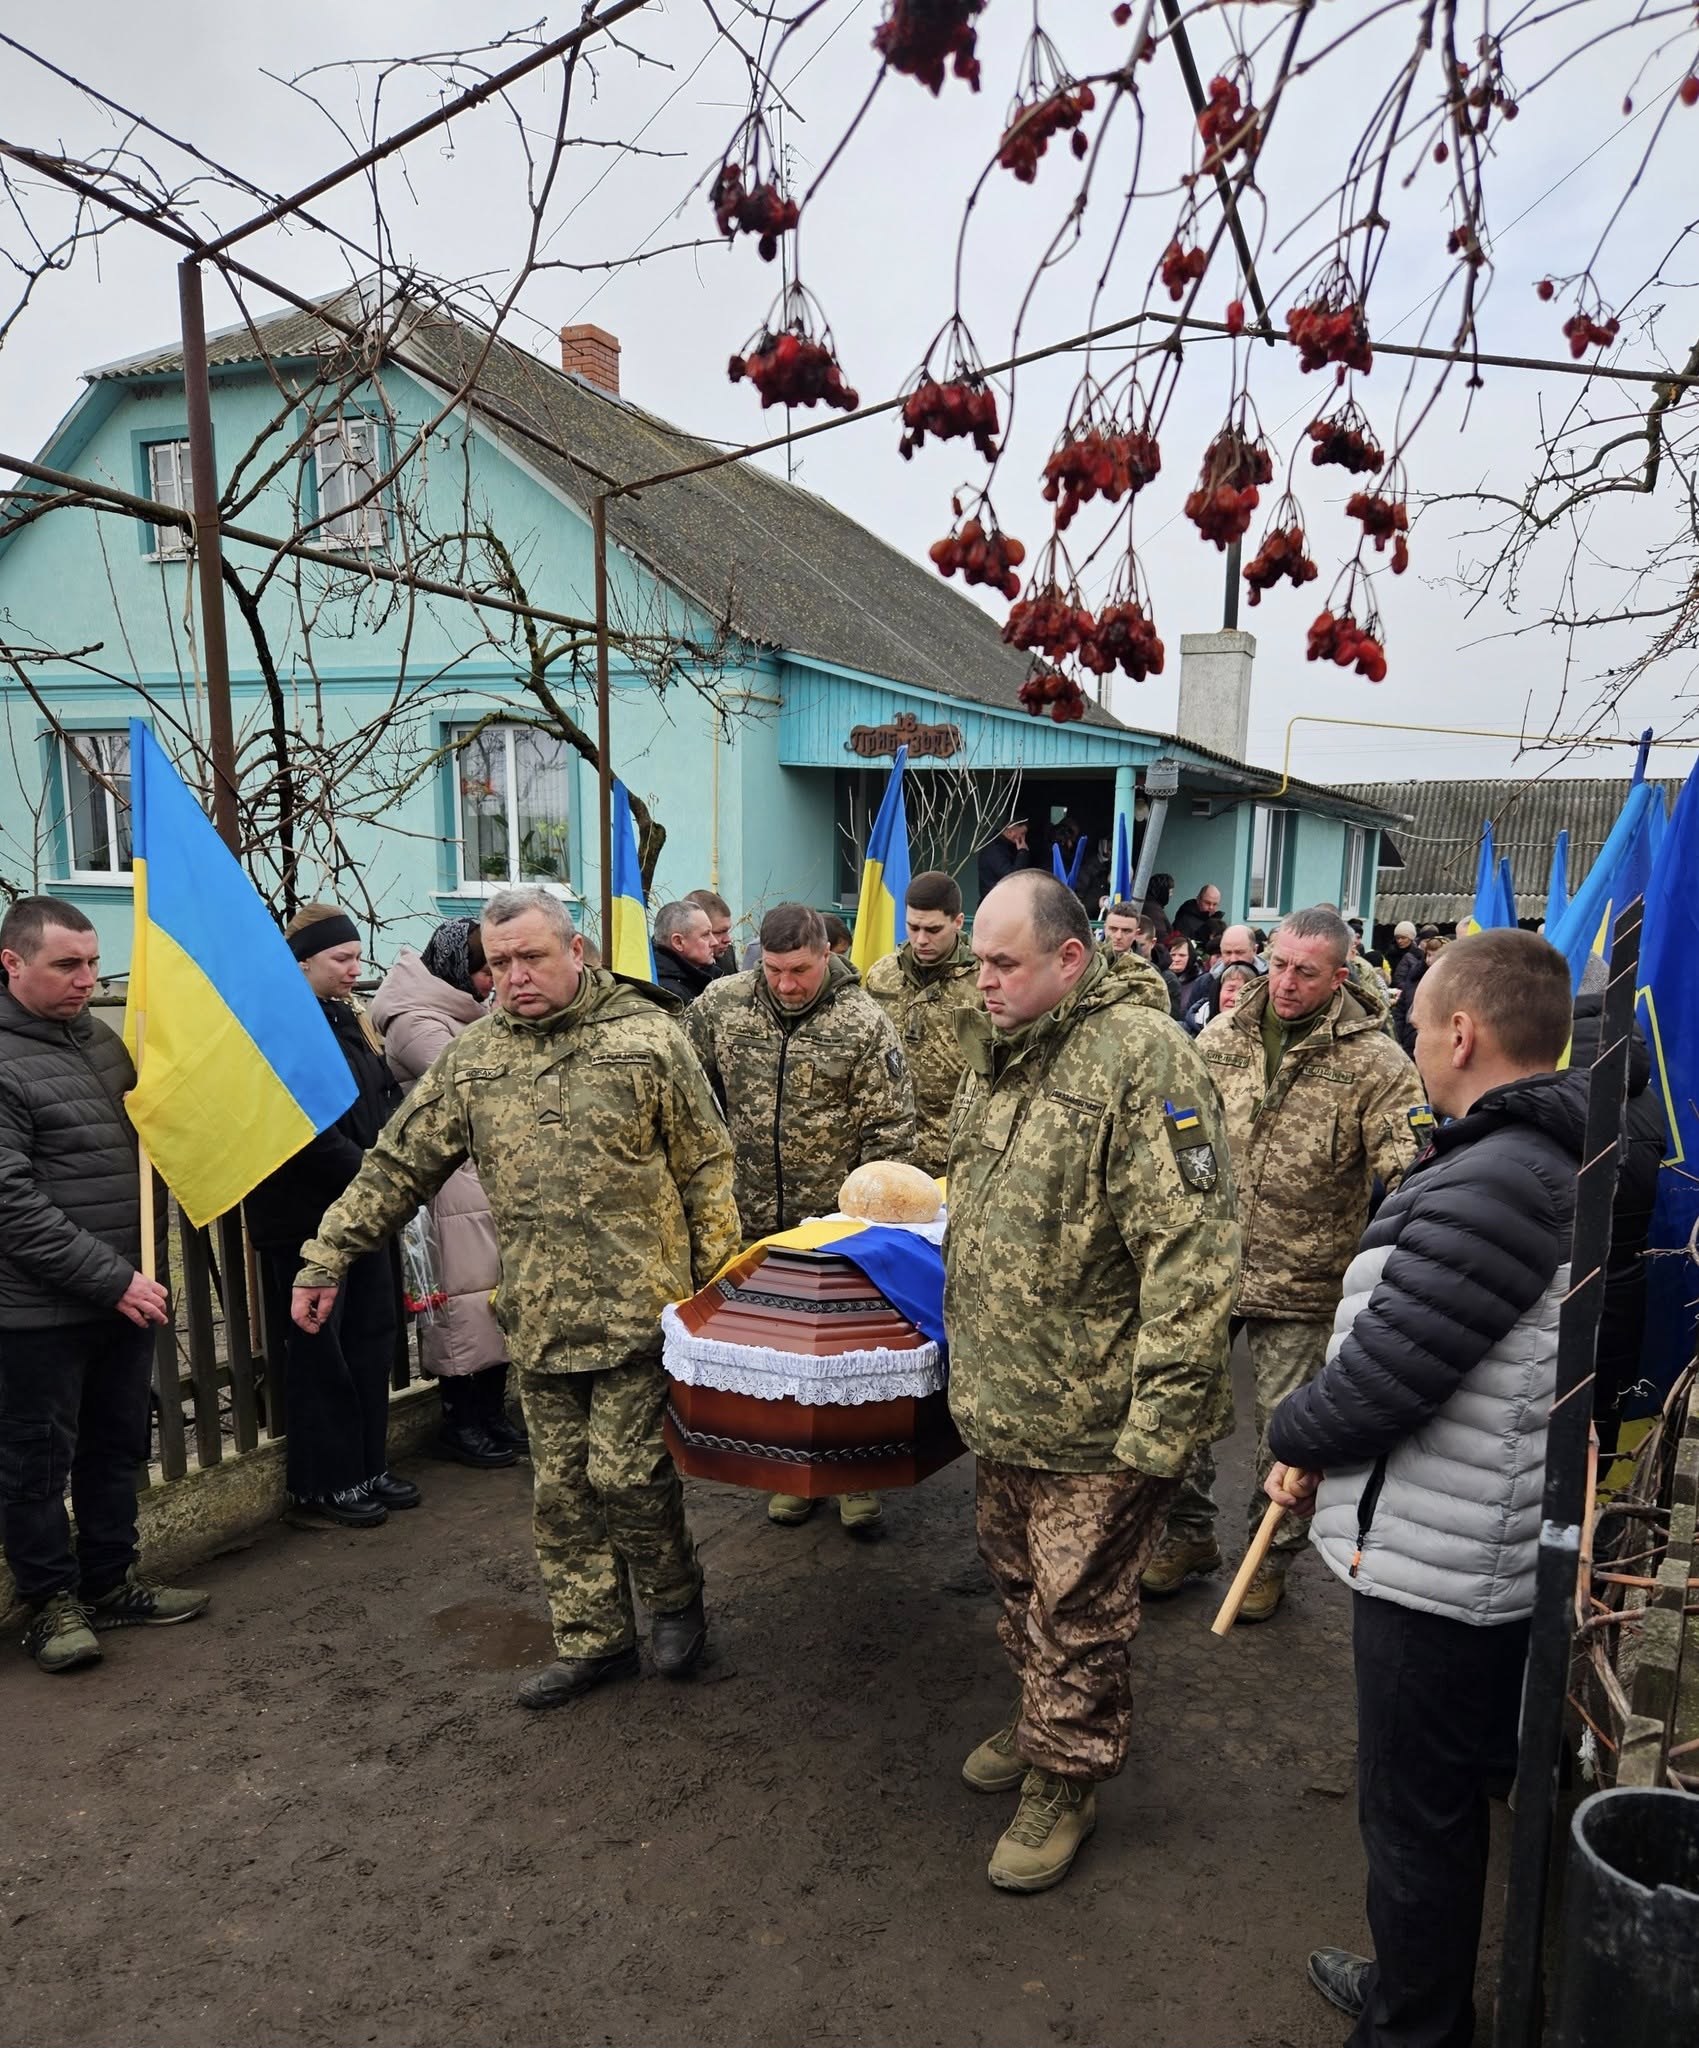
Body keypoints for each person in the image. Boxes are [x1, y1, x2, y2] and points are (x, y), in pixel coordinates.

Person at [292, 886, 740, 1708]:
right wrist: (326, 1256)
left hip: (642, 1312)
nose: (516, 976)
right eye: (499, 963)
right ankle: (593, 1639)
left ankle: (675, 1602)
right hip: (540, 1316)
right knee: (562, 1493)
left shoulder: (647, 1040)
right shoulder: (477, 1058)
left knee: (631, 1478)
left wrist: (712, 1296)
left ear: (576, 953)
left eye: (532, 956)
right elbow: (397, 1164)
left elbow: (707, 1166)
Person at [1263, 930, 1584, 2048]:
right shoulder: (1527, 1158)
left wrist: (1290, 1427)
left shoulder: (1499, 1175)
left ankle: (1413, 2024)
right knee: (1439, 1804)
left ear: (1461, 1030)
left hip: (1441, 1566)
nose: (1410, 1048)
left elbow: (1388, 1371)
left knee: (1415, 1817)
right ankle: (1418, 1982)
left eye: (1414, 1028)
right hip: (1465, 1531)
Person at [945, 871, 1239, 1892]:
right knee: (1021, 1586)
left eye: (1000, 962)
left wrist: (1158, 1424)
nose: (977, 980)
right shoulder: (998, 1050)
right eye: (976, 959)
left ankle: (1067, 1775)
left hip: (1104, 1414)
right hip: (1009, 1400)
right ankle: (1043, 1723)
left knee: (1077, 1605)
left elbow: (1194, 1246)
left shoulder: (1151, 1061)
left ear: (1071, 959)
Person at [1145, 906, 1427, 1619]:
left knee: (1288, 1431)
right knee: (1178, 1408)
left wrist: (1395, 1254)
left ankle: (1268, 1559)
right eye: (1277, 966)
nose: (1286, 984)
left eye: (1305, 972)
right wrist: (1198, 1181)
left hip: (1303, 1281)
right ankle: (1186, 1537)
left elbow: (1407, 1171)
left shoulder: (1374, 1062)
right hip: (1210, 1267)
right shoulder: (1223, 1033)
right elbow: (1182, 1115)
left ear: (1338, 975)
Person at [0, 897, 209, 1674]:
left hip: (121, 1293)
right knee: (33, 1464)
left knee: (117, 1447)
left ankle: (111, 1582)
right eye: (67, 965)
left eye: (93, 963)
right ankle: (50, 1603)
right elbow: (10, 1202)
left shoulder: (101, 1043)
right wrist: (112, 1276)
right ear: (12, 964)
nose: (87, 979)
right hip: (35, 1310)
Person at [686, 903, 916, 1535]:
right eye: (775, 969)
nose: (787, 984)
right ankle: (790, 1473)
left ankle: (855, 1480)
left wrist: (872, 1229)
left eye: (801, 970)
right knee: (777, 1354)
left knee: (845, 1357)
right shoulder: (720, 1006)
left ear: (827, 956)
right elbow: (689, 1100)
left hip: (837, 1228)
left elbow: (890, 1133)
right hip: (751, 1217)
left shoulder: (864, 1022)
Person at [247, 904, 410, 1530]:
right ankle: (324, 1481)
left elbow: (381, 1096)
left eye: (357, 956)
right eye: (341, 959)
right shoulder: (281, 1028)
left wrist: (387, 1172)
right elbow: (303, 1130)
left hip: (362, 1212)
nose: (355, 968)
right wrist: (375, 1176)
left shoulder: (350, 1018)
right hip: (307, 1217)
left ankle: (368, 1464)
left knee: (372, 1341)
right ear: (302, 962)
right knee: (323, 1352)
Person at [370, 918, 520, 1471]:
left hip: (483, 1180)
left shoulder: (465, 1011)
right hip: (450, 1187)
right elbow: (476, 1087)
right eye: (486, 970)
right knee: (460, 1305)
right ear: (458, 967)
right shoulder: (416, 1021)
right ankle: (462, 1419)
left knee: (494, 1298)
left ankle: (492, 1412)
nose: (492, 982)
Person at [1571, 956, 1665, 1457]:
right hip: (1626, 1281)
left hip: (1558, 1286)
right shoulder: (1647, 1094)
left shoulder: (1550, 1081)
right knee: (1598, 1423)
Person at [863, 870, 983, 1180]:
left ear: (958, 922)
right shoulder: (882, 974)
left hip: (955, 1155)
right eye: (912, 927)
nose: (920, 939)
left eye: (933, 929)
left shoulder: (983, 982)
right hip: (888, 1154)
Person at [652, 900, 720, 1007]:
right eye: (705, 935)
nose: (715, 942)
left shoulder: (707, 973)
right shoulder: (668, 995)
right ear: (678, 942)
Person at [1388, 920, 1426, 1056]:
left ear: (1411, 938)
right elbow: (1397, 978)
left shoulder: (1419, 955)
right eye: (1397, 938)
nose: (1399, 941)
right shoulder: (1391, 953)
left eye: (1403, 938)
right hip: (1399, 995)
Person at [683, 889, 737, 977]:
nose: (728, 939)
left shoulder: (727, 955)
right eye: (719, 932)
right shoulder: (666, 970)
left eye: (727, 931)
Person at [976, 819, 1031, 899]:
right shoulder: (994, 849)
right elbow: (1012, 877)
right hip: (994, 902)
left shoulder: (1004, 846)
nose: (1023, 838)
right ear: (1010, 832)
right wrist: (1022, 852)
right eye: (1022, 833)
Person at [1170, 883, 1222, 948]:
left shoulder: (1216, 922)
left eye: (1215, 904)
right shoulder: (1184, 920)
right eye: (1207, 903)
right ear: (1198, 900)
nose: (1211, 907)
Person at [1142, 871, 1175, 943]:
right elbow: (1162, 937)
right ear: (1163, 892)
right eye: (1170, 891)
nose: (1171, 895)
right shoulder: (1153, 910)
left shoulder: (1149, 904)